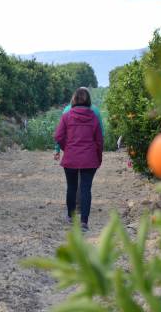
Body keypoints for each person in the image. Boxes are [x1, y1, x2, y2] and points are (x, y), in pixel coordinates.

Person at [54, 87, 103, 232]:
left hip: (71, 157)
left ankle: (70, 217)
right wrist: (98, 157)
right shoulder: (93, 117)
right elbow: (99, 141)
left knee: (72, 187)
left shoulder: (66, 116)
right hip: (89, 159)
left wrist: (65, 148)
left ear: (73, 99)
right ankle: (84, 223)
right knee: (86, 189)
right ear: (88, 100)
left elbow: (58, 136)